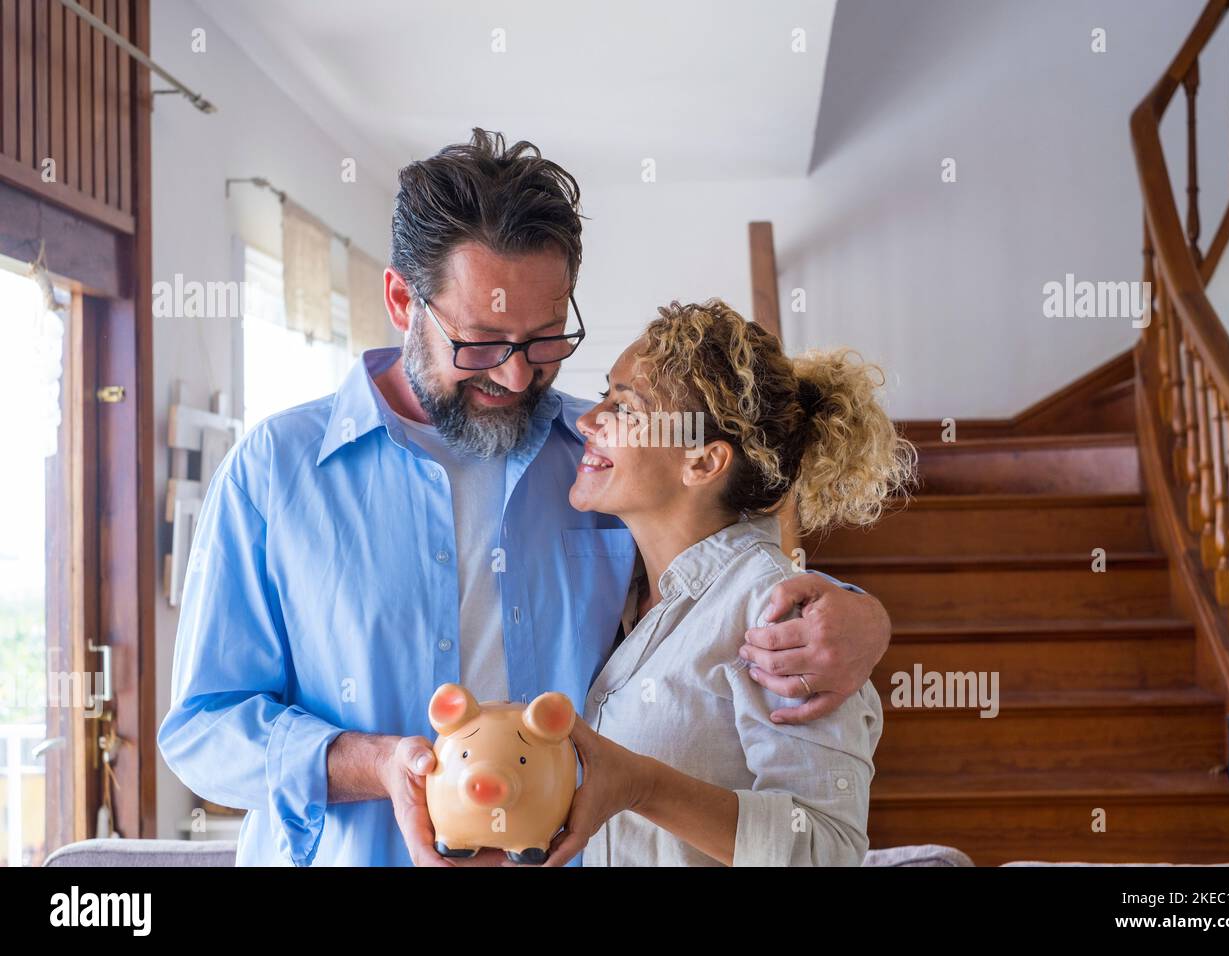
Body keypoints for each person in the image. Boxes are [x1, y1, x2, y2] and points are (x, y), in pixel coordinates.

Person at [158, 130, 895, 866]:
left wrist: (860, 619)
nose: (515, 379)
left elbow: (733, 560)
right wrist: (380, 765)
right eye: (482, 342)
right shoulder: (276, 471)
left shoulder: (601, 460)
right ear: (399, 299)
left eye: (544, 341)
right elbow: (202, 732)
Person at [540, 299, 915, 866]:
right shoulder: (617, 590)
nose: (588, 422)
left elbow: (828, 852)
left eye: (626, 407)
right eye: (603, 396)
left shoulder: (778, 618)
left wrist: (645, 787)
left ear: (703, 462)